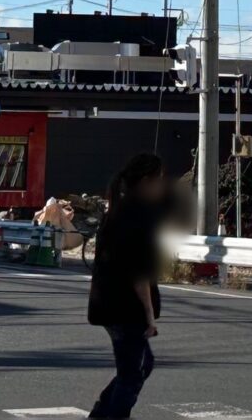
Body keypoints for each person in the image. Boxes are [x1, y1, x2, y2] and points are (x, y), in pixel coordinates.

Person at [87, 153, 167, 420]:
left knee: (138, 367)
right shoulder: (137, 216)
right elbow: (139, 273)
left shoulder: (119, 209)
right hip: (126, 307)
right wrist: (149, 315)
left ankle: (100, 414)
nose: (161, 187)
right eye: (159, 181)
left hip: (108, 303)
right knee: (132, 374)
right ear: (146, 182)